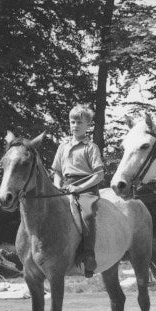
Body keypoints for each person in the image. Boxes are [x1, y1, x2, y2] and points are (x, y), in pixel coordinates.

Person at [51, 104, 105, 277]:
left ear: (87, 125)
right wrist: (58, 186)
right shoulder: (63, 146)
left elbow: (99, 175)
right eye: (72, 122)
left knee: (87, 215)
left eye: (79, 122)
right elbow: (57, 171)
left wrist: (79, 187)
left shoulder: (91, 147)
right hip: (65, 186)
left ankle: (88, 255)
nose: (75, 125)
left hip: (86, 188)